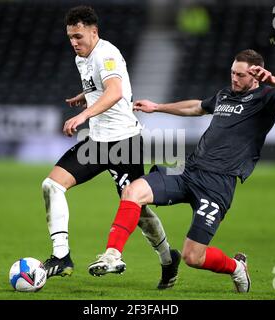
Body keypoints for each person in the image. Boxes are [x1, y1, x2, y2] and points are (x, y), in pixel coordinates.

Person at [88, 49, 275, 293]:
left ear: (256, 76)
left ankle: (235, 267)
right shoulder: (225, 94)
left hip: (218, 184)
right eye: (232, 72)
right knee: (132, 191)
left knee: (193, 257)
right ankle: (112, 255)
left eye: (240, 75)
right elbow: (197, 108)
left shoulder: (267, 97)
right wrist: (157, 107)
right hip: (189, 170)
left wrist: (273, 80)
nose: (234, 78)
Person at [41, 5, 181, 290]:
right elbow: (103, 86)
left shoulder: (106, 53)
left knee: (138, 211)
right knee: (51, 185)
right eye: (70, 37)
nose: (74, 42)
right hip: (97, 142)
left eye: (79, 36)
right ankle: (61, 256)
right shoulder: (82, 56)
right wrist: (86, 95)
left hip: (124, 142)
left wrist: (82, 115)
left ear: (94, 32)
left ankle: (168, 259)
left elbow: (115, 91)